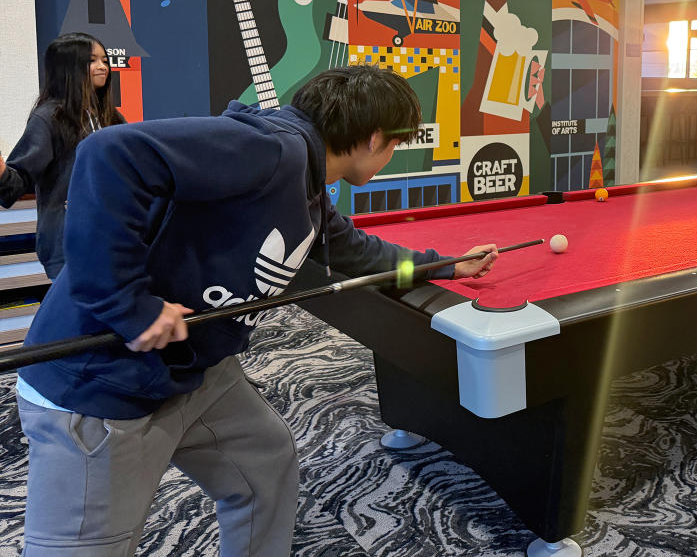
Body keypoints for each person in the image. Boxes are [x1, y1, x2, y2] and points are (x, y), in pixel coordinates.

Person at [14, 65, 499, 556]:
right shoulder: (273, 151)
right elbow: (108, 152)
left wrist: (445, 267)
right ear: (375, 138)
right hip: (99, 387)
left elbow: (358, 253)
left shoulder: (308, 186)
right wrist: (127, 304)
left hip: (196, 371)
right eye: (397, 143)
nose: (392, 154)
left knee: (265, 464)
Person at [0, 32, 125, 278]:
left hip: (113, 238)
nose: (103, 67)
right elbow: (14, 186)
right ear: (68, 67)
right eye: (92, 61)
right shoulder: (48, 118)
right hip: (70, 245)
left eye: (104, 60)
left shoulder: (110, 116)